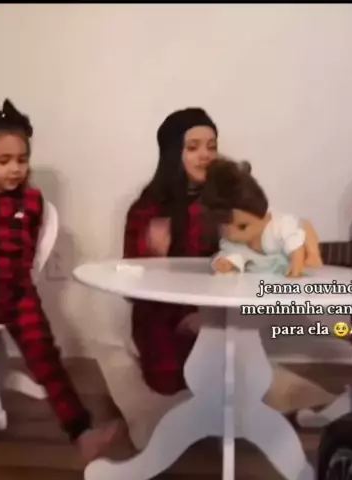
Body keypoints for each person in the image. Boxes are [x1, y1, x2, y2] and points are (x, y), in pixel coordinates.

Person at [123, 107, 324, 396]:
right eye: (193, 147)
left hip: (217, 312)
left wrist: (209, 316)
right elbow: (131, 284)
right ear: (172, 153)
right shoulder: (147, 208)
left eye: (211, 146)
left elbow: (253, 256)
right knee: (169, 384)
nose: (205, 155)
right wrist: (153, 255)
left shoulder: (229, 201)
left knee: (235, 381)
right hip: (161, 319)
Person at [0, 99, 118, 464]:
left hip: (18, 296)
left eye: (22, 160)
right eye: (3, 160)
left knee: (48, 360)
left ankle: (82, 433)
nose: (15, 168)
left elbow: (29, 250)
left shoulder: (32, 201)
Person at [202, 157, 315, 277]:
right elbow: (231, 255)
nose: (232, 235)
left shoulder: (280, 226)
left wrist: (296, 266)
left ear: (263, 213)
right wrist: (226, 263)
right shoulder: (232, 242)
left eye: (242, 227)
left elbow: (296, 246)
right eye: (223, 228)